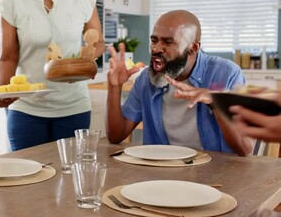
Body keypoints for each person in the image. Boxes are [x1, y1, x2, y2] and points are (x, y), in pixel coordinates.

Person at [106, 9, 254, 156]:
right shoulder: (146, 80)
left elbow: (245, 149)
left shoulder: (226, 74)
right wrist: (115, 87)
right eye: (154, 40)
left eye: (168, 42)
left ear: (193, 47)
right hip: (162, 172)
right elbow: (115, 136)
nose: (156, 49)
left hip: (217, 173)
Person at [0, 0, 105, 151]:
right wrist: (3, 90)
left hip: (73, 106)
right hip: (26, 109)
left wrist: (82, 63)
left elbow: (98, 43)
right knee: (26, 173)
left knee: (69, 171)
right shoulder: (11, 3)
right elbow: (8, 57)